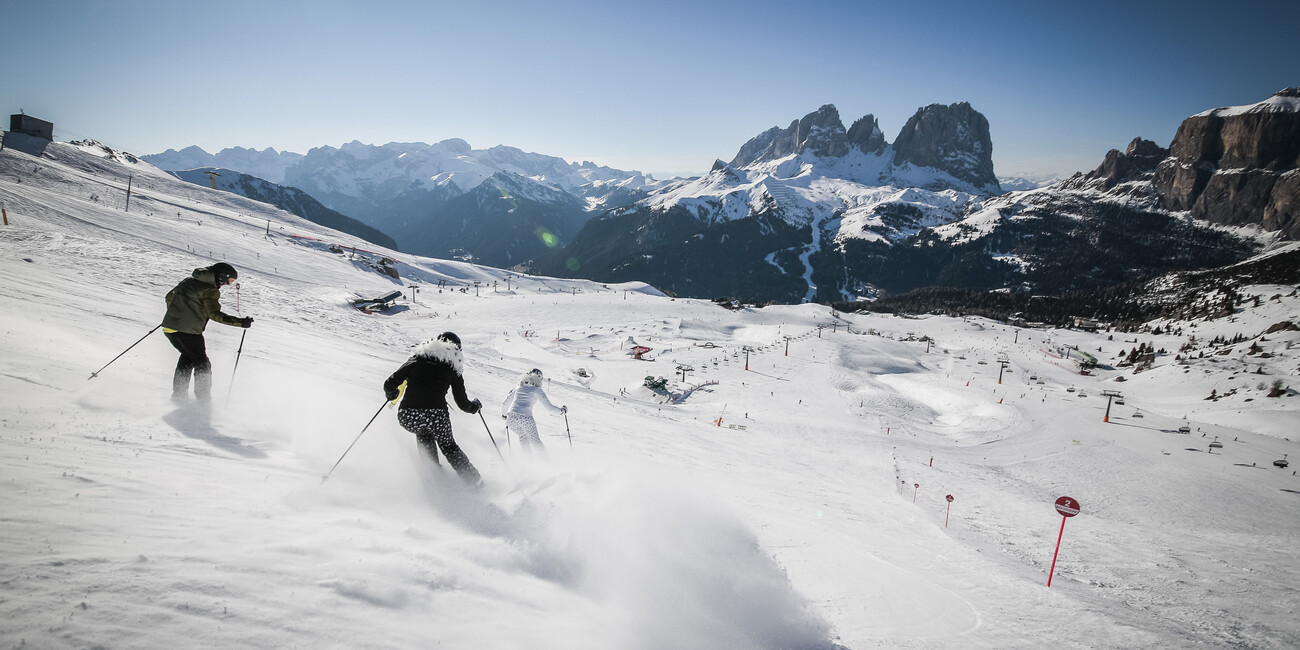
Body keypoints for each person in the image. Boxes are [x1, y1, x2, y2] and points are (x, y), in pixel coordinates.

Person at [384, 332, 484, 485]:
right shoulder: (452, 368)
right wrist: (474, 407)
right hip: (436, 417)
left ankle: (434, 476)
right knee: (449, 447)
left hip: (408, 416)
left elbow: (389, 384)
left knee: (424, 434)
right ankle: (475, 483)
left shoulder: (417, 359)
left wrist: (392, 394)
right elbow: (463, 403)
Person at [161, 262, 252, 402]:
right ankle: (203, 400)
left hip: (170, 328)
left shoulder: (188, 281)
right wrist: (240, 322)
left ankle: (179, 396)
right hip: (189, 332)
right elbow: (214, 314)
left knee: (188, 357)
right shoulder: (210, 290)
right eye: (229, 281)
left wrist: (177, 314)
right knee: (202, 364)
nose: (226, 285)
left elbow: (169, 297)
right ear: (222, 277)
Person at [500, 368, 566, 455]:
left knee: (523, 437)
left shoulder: (518, 388)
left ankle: (528, 461)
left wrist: (504, 415)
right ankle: (545, 463)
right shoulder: (537, 390)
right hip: (525, 417)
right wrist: (561, 411)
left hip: (511, 418)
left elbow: (505, 403)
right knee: (535, 441)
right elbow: (550, 408)